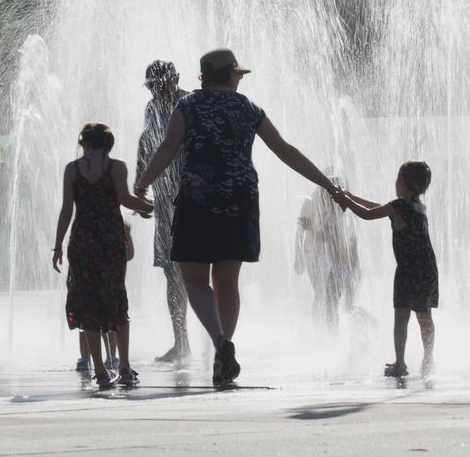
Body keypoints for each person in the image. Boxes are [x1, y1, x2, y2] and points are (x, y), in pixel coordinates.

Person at [133, 48, 342, 389]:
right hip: (239, 201)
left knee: (195, 279)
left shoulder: (186, 107)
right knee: (227, 280)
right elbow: (285, 150)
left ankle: (219, 341)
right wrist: (328, 185)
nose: (241, 77)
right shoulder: (247, 108)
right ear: (228, 75)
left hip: (198, 200)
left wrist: (141, 184)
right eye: (238, 73)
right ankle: (222, 356)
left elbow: (167, 148)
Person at [52, 122, 152, 389]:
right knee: (117, 297)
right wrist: (145, 206)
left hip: (83, 241)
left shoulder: (72, 170)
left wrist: (58, 245)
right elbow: (124, 199)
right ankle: (125, 367)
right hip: (110, 240)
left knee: (88, 304)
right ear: (109, 144)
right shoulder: (116, 167)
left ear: (84, 142)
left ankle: (100, 371)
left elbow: (66, 210)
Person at [335, 162, 437, 377]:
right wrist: (350, 197)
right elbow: (377, 206)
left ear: (401, 181)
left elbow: (367, 213)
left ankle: (400, 363)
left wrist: (346, 201)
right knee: (424, 316)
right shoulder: (418, 205)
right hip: (427, 269)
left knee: (401, 317)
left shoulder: (398, 206)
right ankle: (428, 359)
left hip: (408, 271)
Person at [136, 59, 190, 363]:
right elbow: (146, 142)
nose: (156, 92)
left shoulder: (190, 103)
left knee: (196, 271)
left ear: (175, 79)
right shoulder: (151, 109)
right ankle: (181, 342)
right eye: (152, 88)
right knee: (172, 274)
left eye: (160, 86)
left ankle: (219, 340)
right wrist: (139, 182)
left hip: (192, 202)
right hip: (165, 202)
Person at [296, 175, 359, 329]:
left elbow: (331, 237)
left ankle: (332, 334)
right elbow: (300, 232)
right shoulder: (312, 203)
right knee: (324, 296)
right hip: (323, 257)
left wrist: (310, 228)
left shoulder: (338, 211)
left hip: (341, 263)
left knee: (334, 301)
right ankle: (324, 332)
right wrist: (299, 256)